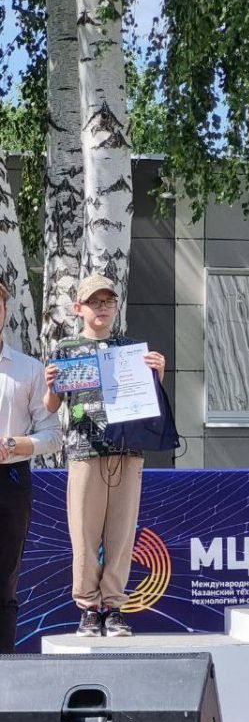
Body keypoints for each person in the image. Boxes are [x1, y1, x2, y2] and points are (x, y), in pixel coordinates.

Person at [44, 273, 165, 638]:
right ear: (78, 308)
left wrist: (157, 375)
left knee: (121, 534)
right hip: (84, 451)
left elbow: (148, 403)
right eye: (94, 302)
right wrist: (51, 386)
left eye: (108, 301)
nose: (102, 308)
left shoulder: (131, 349)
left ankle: (113, 606)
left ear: (116, 306)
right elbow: (51, 406)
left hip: (127, 451)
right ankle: (88, 607)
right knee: (84, 534)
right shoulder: (66, 349)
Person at [0, 280, 62, 652]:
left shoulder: (28, 369)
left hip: (10, 480)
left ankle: (3, 673)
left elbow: (53, 435)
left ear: (5, 310)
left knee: (5, 583)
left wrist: (13, 445)